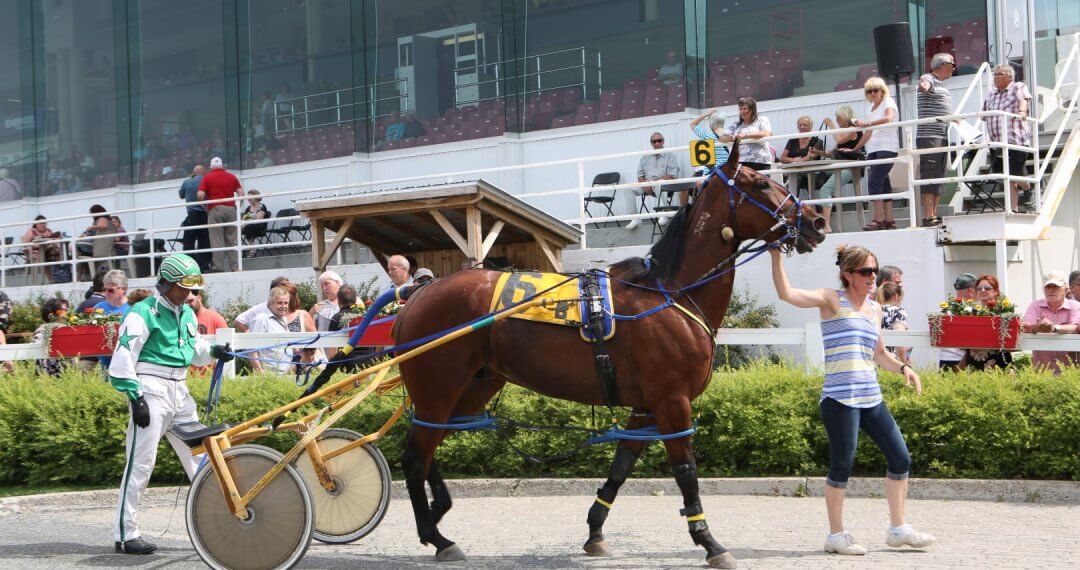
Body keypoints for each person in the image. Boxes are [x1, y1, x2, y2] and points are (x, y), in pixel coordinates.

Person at [768, 243, 934, 556]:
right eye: (866, 271)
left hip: (871, 397)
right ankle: (836, 535)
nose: (874, 277)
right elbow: (787, 293)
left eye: (875, 270)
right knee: (842, 465)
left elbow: (880, 354)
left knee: (901, 458)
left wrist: (904, 369)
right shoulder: (832, 300)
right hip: (839, 399)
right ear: (848, 275)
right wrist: (776, 256)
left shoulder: (875, 309)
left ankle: (898, 530)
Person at [109, 253, 231, 555]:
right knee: (140, 463)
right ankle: (126, 534)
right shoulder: (142, 312)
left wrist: (214, 350)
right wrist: (134, 397)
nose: (191, 295)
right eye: (184, 288)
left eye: (193, 289)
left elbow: (192, 351)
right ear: (166, 284)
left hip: (180, 392)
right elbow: (124, 355)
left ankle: (222, 523)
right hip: (150, 391)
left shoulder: (187, 313)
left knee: (200, 457)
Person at [983, 64, 1033, 213]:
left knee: (1015, 173)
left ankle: (1028, 189)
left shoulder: (1017, 87)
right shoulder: (991, 94)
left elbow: (1023, 99)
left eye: (1000, 74)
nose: (996, 77)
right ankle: (1013, 209)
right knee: (1007, 177)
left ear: (1010, 77)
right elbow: (984, 115)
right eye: (995, 74)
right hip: (997, 142)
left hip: (1015, 139)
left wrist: (1022, 111)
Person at [853, 77, 899, 231]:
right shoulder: (870, 108)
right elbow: (868, 133)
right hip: (873, 149)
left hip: (887, 147)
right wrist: (855, 148)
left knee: (874, 182)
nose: (873, 93)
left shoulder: (888, 101)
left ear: (882, 90)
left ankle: (878, 219)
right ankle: (889, 220)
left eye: (875, 90)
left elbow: (889, 118)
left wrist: (867, 124)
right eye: (869, 91)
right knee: (883, 183)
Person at [917, 53, 956, 227]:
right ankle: (927, 215)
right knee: (929, 174)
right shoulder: (929, 77)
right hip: (929, 136)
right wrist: (923, 86)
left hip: (942, 135)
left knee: (939, 175)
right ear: (942, 65)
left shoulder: (944, 86)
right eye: (951, 64)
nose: (954, 67)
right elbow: (924, 85)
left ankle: (934, 213)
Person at [815, 106, 865, 234]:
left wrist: (830, 125)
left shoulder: (853, 130)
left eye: (838, 118)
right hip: (840, 166)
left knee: (825, 189)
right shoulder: (844, 132)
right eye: (836, 119)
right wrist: (817, 152)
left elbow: (838, 139)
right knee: (818, 174)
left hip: (850, 168)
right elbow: (833, 154)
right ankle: (827, 201)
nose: (837, 121)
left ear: (845, 118)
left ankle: (826, 226)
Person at [1021, 271, 1080, 374]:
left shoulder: (1074, 306)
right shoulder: (1036, 305)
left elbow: (1075, 328)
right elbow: (1024, 326)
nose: (1051, 290)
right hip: (1042, 372)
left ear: (1065, 290)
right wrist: (1037, 327)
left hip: (1069, 374)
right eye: (1048, 287)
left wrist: (1054, 327)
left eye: (1056, 287)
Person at [197, 157, 243, 273]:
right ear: (222, 166)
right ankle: (235, 267)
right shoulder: (232, 177)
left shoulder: (207, 178)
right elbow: (241, 193)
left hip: (215, 208)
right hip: (231, 208)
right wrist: (237, 206)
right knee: (232, 239)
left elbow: (201, 195)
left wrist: (204, 205)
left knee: (217, 240)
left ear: (211, 167)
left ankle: (218, 267)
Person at [629, 132, 680, 229]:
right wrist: (645, 185)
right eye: (654, 141)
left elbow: (671, 175)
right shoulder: (645, 157)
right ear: (651, 143)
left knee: (659, 184)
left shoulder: (670, 155)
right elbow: (640, 175)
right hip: (647, 184)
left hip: (662, 184)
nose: (657, 143)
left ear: (663, 142)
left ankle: (663, 213)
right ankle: (635, 217)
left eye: (659, 140)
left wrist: (653, 182)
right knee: (628, 189)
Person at [964, 274, 1014, 370]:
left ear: (995, 291)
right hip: (974, 363)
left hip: (999, 362)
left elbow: (1013, 340)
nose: (982, 290)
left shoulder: (1004, 313)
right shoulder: (970, 313)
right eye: (979, 288)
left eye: (987, 288)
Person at [720, 97, 773, 172]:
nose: (742, 111)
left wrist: (746, 135)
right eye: (740, 109)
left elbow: (767, 133)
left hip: (760, 161)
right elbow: (721, 138)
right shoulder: (737, 124)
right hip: (740, 162)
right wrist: (731, 138)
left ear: (752, 110)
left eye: (745, 109)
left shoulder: (761, 120)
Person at [940, 273, 978, 370]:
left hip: (944, 359)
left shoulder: (946, 309)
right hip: (963, 360)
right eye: (978, 290)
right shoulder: (972, 311)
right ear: (971, 291)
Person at [780, 115, 825, 197]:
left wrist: (799, 160)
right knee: (782, 176)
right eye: (800, 125)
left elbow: (811, 157)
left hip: (813, 173)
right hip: (793, 172)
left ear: (810, 126)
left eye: (805, 125)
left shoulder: (817, 141)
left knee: (794, 175)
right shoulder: (792, 141)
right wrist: (794, 160)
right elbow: (782, 158)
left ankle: (792, 201)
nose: (802, 127)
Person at [689, 109, 730, 194]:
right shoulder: (729, 136)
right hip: (726, 170)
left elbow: (692, 123)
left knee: (698, 183)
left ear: (711, 123)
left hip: (712, 171)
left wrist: (706, 114)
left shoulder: (707, 135)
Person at [179, 165, 210, 270]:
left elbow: (181, 195)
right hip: (205, 215)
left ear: (194, 172)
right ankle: (204, 265)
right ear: (204, 172)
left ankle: (188, 265)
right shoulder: (206, 180)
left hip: (192, 216)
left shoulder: (187, 182)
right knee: (204, 241)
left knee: (188, 242)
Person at [33, 297, 70, 376]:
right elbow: (40, 356)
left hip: (66, 373)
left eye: (66, 310)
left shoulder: (68, 329)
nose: (66, 313)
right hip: (48, 375)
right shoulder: (42, 331)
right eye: (63, 310)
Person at [876, 282, 911, 365]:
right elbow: (899, 338)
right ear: (896, 296)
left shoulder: (872, 310)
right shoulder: (897, 311)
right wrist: (904, 362)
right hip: (891, 362)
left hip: (872, 361)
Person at [240, 190, 270, 257]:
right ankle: (237, 250)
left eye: (251, 197)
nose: (249, 198)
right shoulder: (248, 208)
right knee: (235, 229)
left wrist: (247, 220)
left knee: (247, 227)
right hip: (248, 225)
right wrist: (249, 219)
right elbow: (243, 219)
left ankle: (252, 250)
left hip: (259, 226)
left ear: (256, 197)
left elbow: (259, 218)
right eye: (248, 197)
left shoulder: (261, 206)